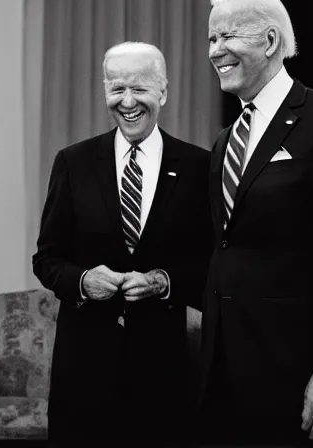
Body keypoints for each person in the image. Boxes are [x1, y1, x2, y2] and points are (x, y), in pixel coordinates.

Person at [199, 0, 313, 445]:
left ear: (271, 42)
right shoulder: (225, 139)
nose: (214, 51)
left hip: (294, 375)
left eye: (226, 37)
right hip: (223, 373)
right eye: (210, 39)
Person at [33, 41, 213, 444]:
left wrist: (165, 281)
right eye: (117, 89)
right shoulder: (73, 162)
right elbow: (46, 259)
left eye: (140, 89)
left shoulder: (199, 167)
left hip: (163, 371)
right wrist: (82, 280)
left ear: (163, 92)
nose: (127, 101)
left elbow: (212, 265)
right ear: (105, 91)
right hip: (84, 369)